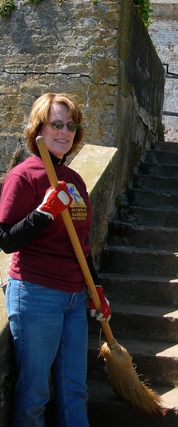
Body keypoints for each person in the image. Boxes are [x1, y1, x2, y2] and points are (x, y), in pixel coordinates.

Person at [0, 93, 111, 427]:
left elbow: (81, 244)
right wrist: (43, 213)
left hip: (75, 298)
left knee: (74, 389)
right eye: (56, 124)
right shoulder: (25, 176)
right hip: (36, 294)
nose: (65, 132)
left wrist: (95, 289)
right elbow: (5, 239)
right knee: (35, 394)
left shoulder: (75, 181)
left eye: (71, 126)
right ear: (40, 129)